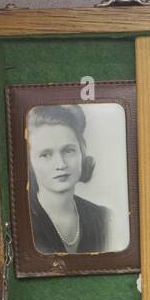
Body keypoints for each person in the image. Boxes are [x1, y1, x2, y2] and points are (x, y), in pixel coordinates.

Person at [26, 104, 113, 255]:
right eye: (46, 154)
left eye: (68, 150)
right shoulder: (21, 221)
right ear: (30, 162)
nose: (61, 164)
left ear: (82, 152)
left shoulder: (104, 219)